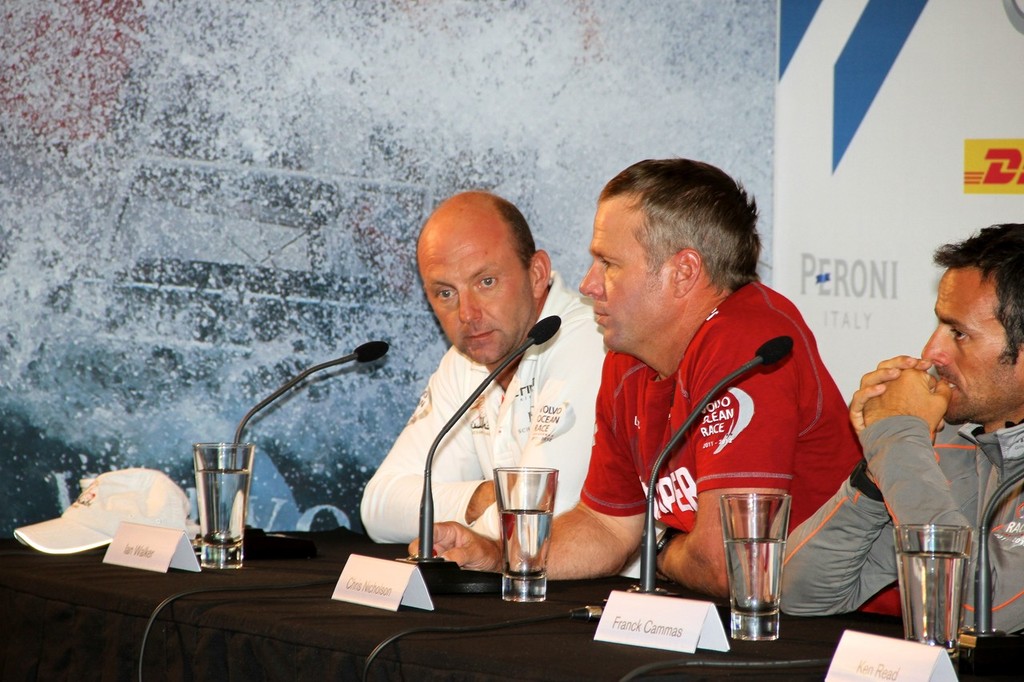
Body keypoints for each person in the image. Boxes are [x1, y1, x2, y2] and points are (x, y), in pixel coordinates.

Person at [411, 159, 861, 597]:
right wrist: (499, 554)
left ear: (682, 272)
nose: (589, 284)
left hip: (858, 627)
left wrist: (658, 545)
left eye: (608, 263)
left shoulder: (750, 341)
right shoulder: (627, 357)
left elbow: (730, 564)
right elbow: (604, 525)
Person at [781, 224, 1024, 632]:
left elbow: (985, 613)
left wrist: (896, 438)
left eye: (959, 333)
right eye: (939, 327)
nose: (932, 352)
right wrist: (880, 464)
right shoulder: (948, 441)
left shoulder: (918, 442)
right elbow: (800, 594)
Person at [360, 191, 606, 543]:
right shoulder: (467, 360)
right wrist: (478, 498)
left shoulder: (587, 337)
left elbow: (534, 516)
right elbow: (379, 508)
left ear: (537, 274)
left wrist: (487, 510)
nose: (467, 315)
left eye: (486, 282)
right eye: (445, 293)